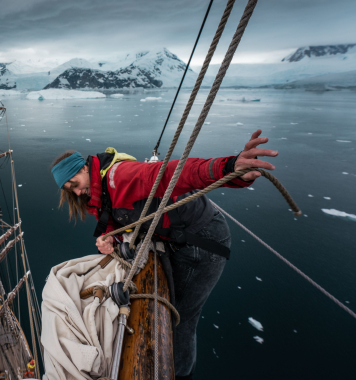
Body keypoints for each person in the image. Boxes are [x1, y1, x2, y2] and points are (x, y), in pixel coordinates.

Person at [50, 129, 277, 379]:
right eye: (69, 189)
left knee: (180, 322)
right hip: (178, 239)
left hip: (202, 241)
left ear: (84, 169)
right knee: (171, 315)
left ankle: (181, 375)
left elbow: (172, 174)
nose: (76, 192)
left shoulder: (120, 177)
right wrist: (111, 239)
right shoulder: (98, 189)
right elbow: (121, 216)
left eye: (74, 183)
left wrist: (231, 168)